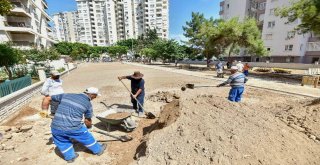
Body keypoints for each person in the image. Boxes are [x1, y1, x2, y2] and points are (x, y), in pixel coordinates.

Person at [42, 87, 106, 163]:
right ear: (92, 95)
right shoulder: (88, 104)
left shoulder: (67, 95)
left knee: (62, 141)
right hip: (73, 128)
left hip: (55, 127)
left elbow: (47, 98)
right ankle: (98, 150)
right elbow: (87, 120)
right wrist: (89, 127)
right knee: (87, 137)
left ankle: (70, 157)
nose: (95, 98)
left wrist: (44, 112)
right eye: (95, 96)